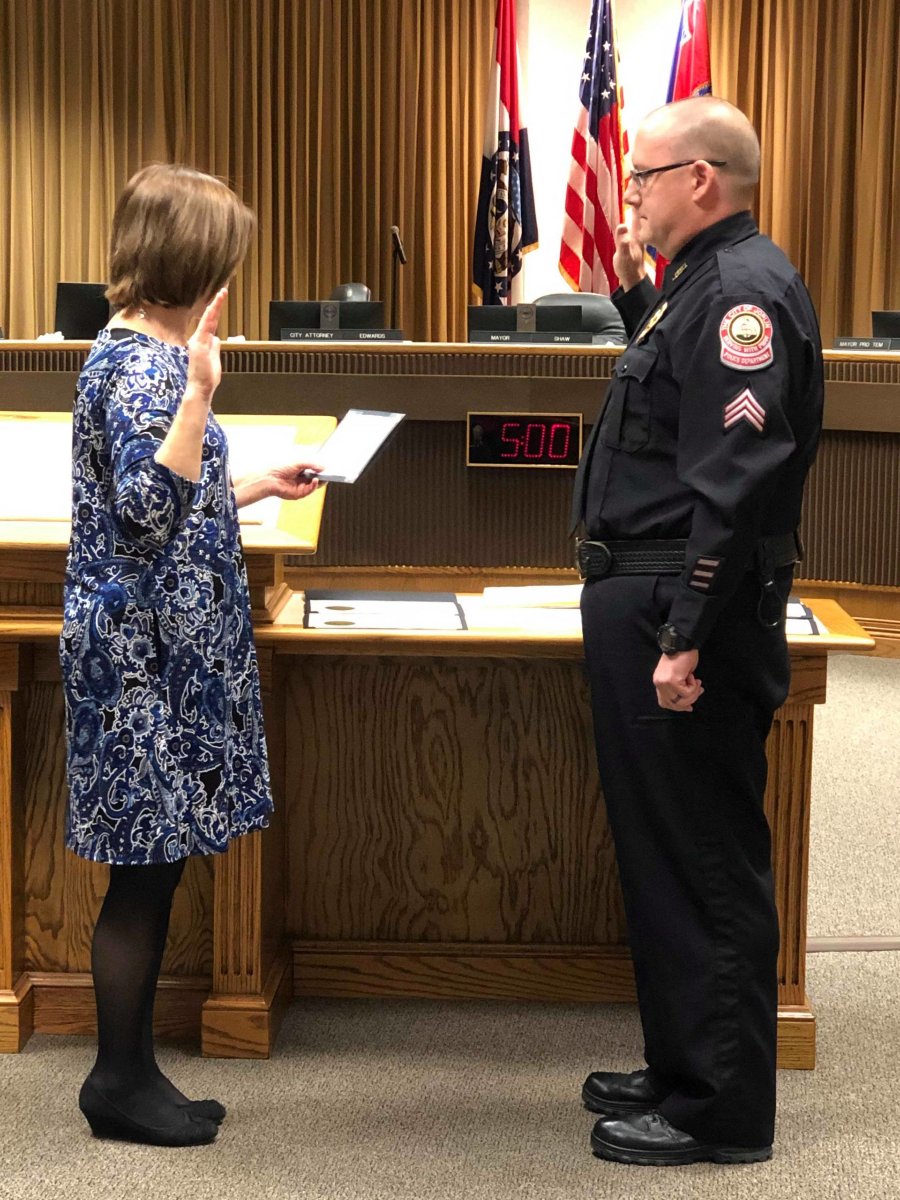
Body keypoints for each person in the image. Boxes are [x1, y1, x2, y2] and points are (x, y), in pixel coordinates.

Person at [571, 97, 823, 1166]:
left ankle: (719, 1109)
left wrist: (683, 635)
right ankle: (684, 1064)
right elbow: (677, 420)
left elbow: (733, 485)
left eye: (643, 176)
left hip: (687, 615)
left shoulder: (739, 297)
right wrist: (636, 283)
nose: (629, 192)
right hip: (657, 602)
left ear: (701, 181)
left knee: (706, 860)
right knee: (665, 853)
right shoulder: (696, 286)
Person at [60, 163, 323, 1146]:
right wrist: (202, 397)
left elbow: (162, 502)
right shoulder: (147, 368)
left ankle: (131, 1071)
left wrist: (252, 483)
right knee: (143, 869)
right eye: (225, 259)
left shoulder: (151, 353)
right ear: (195, 261)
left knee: (158, 864)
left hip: (162, 652)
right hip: (141, 663)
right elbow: (139, 516)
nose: (231, 276)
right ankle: (116, 1081)